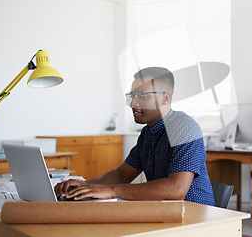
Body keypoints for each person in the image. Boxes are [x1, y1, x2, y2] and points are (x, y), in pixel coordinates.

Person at [54, 67, 215, 206]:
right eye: (132, 96)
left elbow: (176, 189)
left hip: (194, 217)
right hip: (164, 212)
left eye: (142, 96)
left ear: (165, 98)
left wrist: (110, 191)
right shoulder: (147, 132)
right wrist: (85, 185)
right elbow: (123, 174)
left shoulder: (184, 127)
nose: (133, 104)